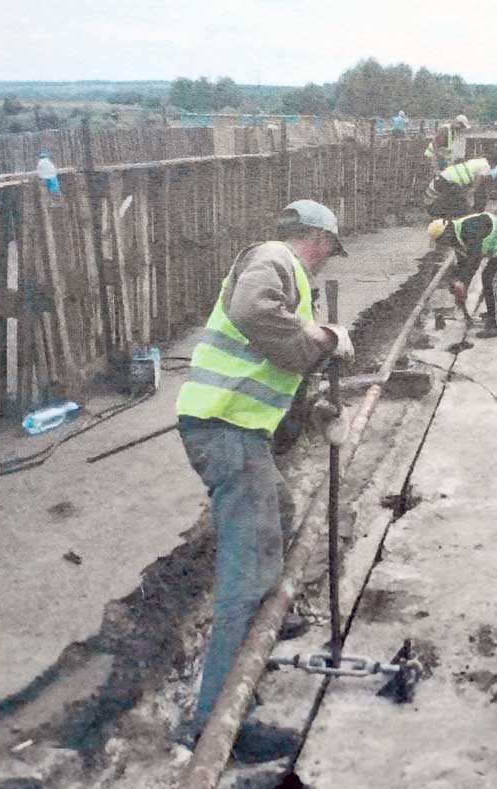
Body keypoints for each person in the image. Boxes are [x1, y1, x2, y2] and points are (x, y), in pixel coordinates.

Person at [175, 199, 354, 737]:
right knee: (246, 572)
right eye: (329, 251)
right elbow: (258, 318)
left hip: (235, 429)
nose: (325, 263)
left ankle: (276, 614)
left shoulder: (288, 279)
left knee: (279, 503)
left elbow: (267, 364)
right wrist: (322, 340)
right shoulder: (276, 259)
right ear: (318, 239)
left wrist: (315, 408)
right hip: (225, 432)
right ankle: (218, 720)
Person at [428, 212, 497, 338]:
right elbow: (464, 265)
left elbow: (475, 259)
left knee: (493, 279)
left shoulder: (468, 229)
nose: (443, 245)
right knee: (493, 277)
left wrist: (462, 282)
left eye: (441, 241)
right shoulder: (457, 237)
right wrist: (461, 284)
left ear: (446, 234)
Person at [422, 156, 494, 219]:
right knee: (462, 207)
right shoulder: (486, 166)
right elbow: (480, 177)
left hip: (435, 189)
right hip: (438, 197)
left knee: (460, 200)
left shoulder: (476, 161)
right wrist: (473, 189)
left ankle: (445, 214)